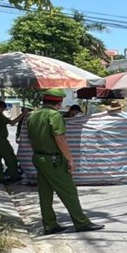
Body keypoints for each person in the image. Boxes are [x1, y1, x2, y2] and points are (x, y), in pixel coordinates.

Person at [27, 89, 104, 234]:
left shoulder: (33, 115)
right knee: (69, 191)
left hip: (38, 157)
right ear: (60, 102)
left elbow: (31, 139)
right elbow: (60, 138)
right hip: (53, 159)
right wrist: (70, 160)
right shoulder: (54, 115)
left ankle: (50, 225)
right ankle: (81, 222)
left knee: (45, 194)